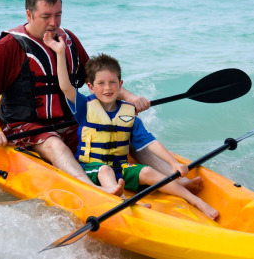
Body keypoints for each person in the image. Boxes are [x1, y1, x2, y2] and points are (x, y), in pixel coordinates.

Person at [0, 0, 149, 196]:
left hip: (68, 123)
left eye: (58, 15)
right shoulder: (7, 48)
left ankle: (170, 175)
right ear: (29, 14)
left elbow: (98, 81)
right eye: (46, 16)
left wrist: (131, 97)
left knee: (119, 129)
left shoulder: (68, 41)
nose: (53, 23)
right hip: (24, 127)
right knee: (55, 144)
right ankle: (94, 192)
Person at [44, 33, 219, 219]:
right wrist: (60, 53)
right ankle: (124, 201)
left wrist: (173, 162)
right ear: (91, 87)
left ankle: (195, 200)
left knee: (149, 171)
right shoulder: (83, 108)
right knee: (105, 171)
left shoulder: (128, 114)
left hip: (121, 167)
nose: (107, 88)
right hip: (93, 168)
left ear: (120, 85)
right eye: (101, 83)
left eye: (112, 82)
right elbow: (65, 86)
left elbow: (150, 142)